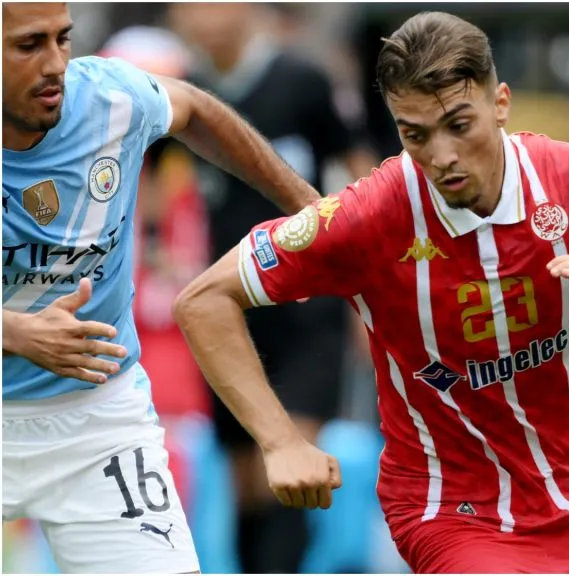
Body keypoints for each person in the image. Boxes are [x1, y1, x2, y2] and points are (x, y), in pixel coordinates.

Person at [173, 10, 569, 574]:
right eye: (415, 135)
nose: (442, 156)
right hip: (451, 511)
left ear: (500, 102)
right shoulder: (369, 216)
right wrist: (279, 442)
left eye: (458, 124)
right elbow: (204, 299)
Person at [1, 3, 339, 573]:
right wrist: (14, 331)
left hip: (97, 420)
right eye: (30, 45)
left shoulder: (108, 99)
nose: (57, 63)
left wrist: (315, 214)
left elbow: (196, 109)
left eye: (63, 39)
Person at [166, 3, 378, 571]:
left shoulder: (302, 82)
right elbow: (150, 187)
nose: (198, 15)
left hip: (307, 311)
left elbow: (362, 173)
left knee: (291, 460)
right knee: (243, 483)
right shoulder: (182, 94)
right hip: (228, 311)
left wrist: (373, 288)